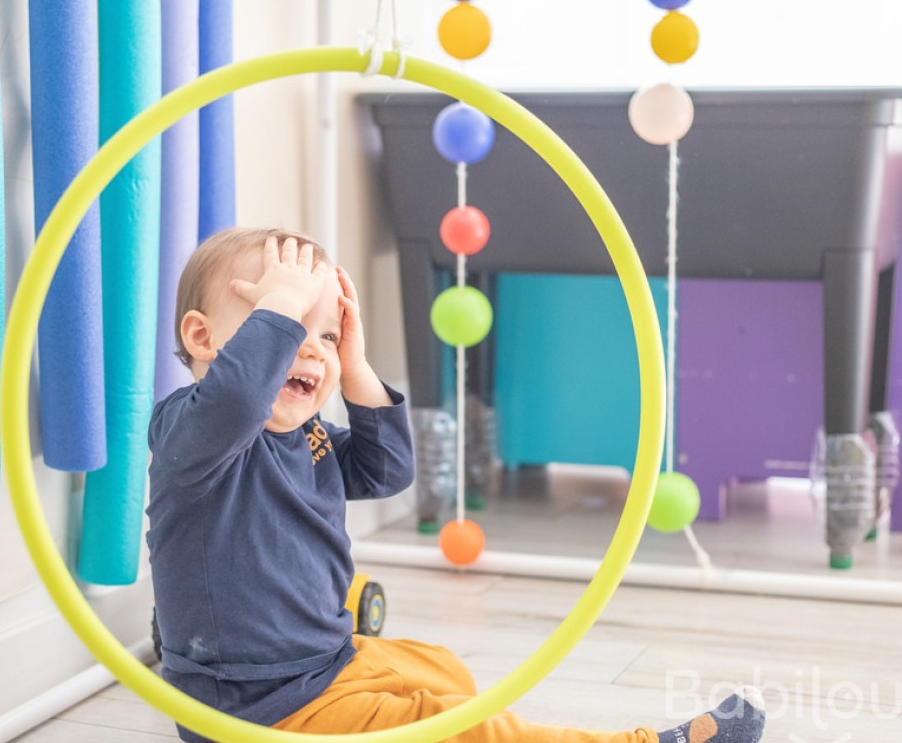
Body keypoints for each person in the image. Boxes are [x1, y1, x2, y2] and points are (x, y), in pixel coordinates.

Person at [146, 228, 766, 743]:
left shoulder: (304, 437)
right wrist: (283, 307)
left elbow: (386, 469)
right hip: (255, 709)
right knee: (457, 723)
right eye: (277, 320)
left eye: (327, 334)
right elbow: (233, 399)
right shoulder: (191, 430)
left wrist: (356, 365)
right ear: (203, 339)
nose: (309, 348)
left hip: (325, 662)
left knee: (443, 671)